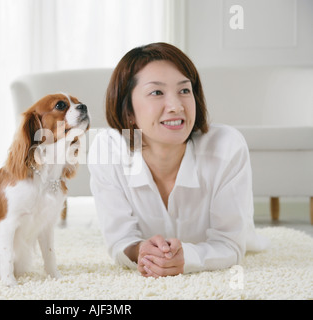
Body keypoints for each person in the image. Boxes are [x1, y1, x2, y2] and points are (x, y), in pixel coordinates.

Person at [88, 42, 269, 278]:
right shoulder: (107, 149)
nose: (176, 106)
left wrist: (188, 259)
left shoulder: (227, 147)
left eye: (184, 90)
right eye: (157, 92)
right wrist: (139, 250)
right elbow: (119, 240)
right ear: (129, 111)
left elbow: (230, 244)